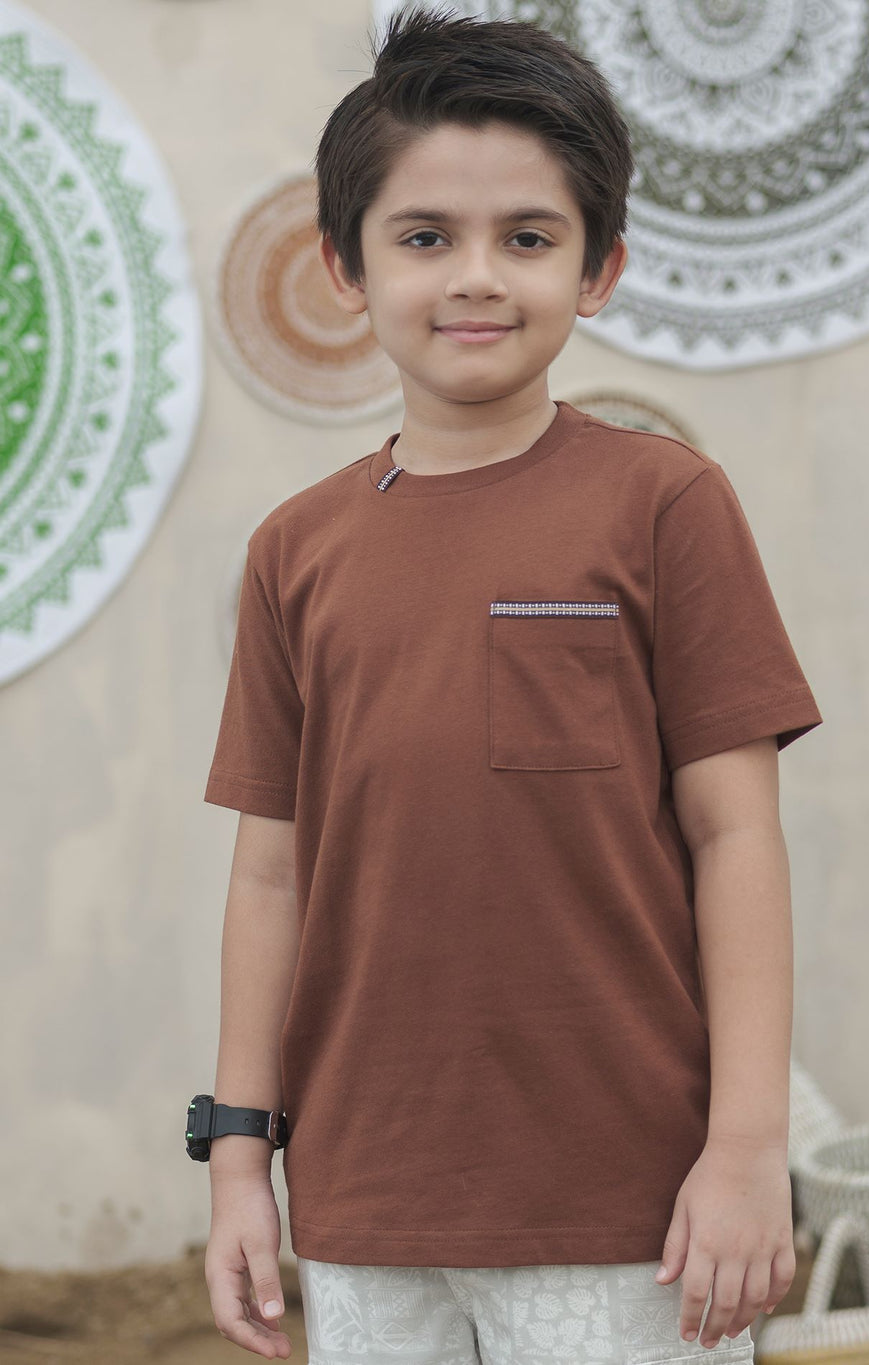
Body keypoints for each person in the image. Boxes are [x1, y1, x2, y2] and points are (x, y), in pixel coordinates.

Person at [199, 5, 824, 1362]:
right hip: (367, 1197)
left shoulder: (665, 505)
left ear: (599, 269)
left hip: (631, 1203)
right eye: (426, 236)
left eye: (528, 239)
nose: (476, 277)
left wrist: (746, 1146)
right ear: (346, 266)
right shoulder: (293, 551)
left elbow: (737, 837)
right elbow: (271, 875)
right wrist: (240, 1157)